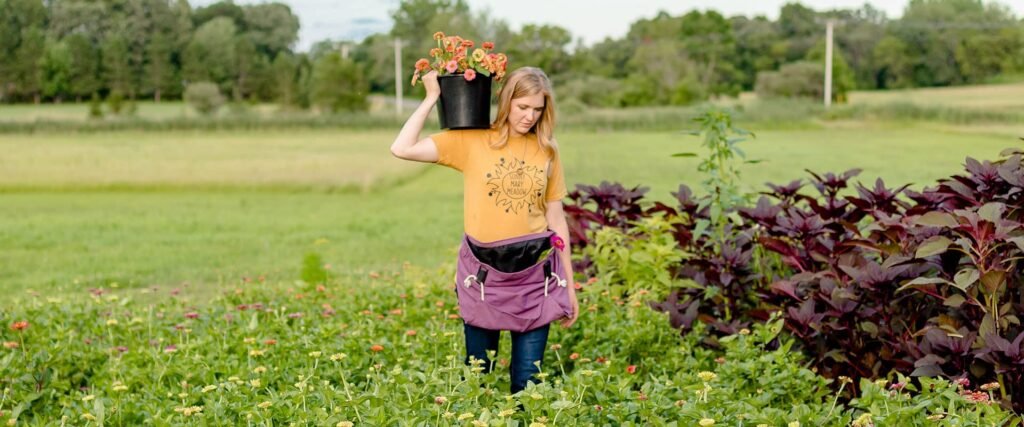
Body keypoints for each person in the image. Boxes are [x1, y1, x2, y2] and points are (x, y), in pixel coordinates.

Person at [390, 66, 579, 394]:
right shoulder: (473, 140)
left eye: (538, 109)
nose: (529, 117)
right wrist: (432, 96)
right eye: (523, 107)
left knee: (528, 384)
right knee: (479, 377)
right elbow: (402, 148)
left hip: (534, 277)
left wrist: (570, 288)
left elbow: (557, 220)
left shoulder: (548, 150)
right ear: (506, 101)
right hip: (483, 276)